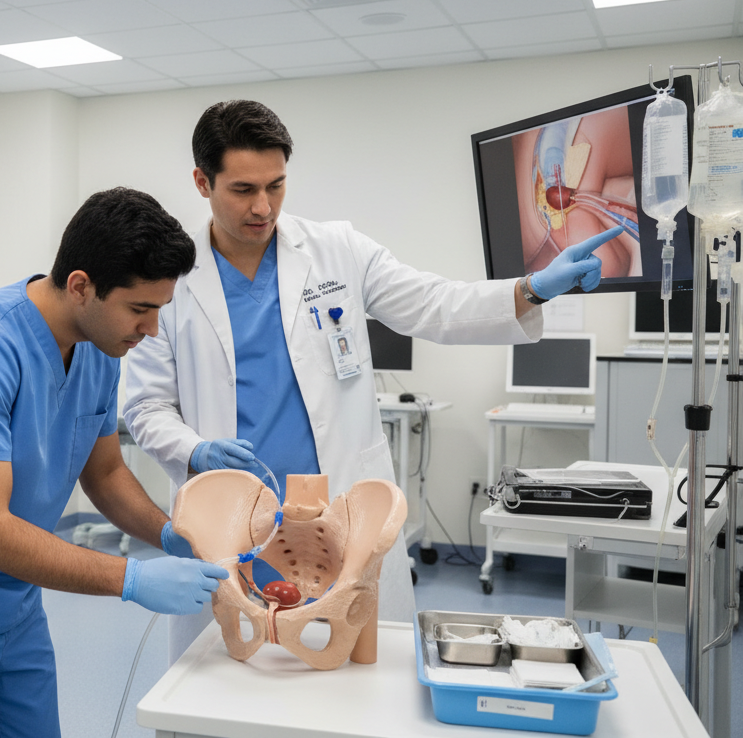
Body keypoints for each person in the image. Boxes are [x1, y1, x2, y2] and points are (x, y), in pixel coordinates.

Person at [122, 99, 624, 663]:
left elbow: (436, 305)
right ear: (201, 181)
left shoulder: (337, 251)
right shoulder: (172, 282)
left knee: (351, 682)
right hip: (234, 526)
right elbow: (145, 408)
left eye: (277, 185)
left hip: (340, 518)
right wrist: (195, 450)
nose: (264, 207)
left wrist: (530, 289)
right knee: (229, 684)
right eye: (243, 190)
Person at [0, 187, 228, 738]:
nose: (151, 330)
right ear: (81, 286)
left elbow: (104, 474)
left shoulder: (101, 350)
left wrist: (171, 532)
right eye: (140, 309)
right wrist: (130, 578)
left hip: (15, 599)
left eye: (159, 311)